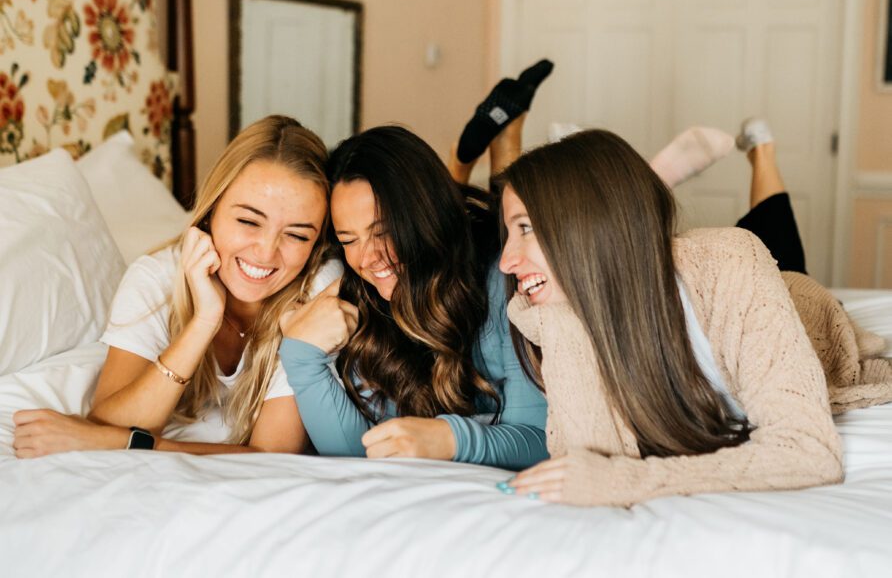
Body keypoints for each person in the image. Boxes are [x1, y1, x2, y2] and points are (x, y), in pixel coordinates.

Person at [492, 125, 892, 507]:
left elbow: (809, 453)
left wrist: (627, 482)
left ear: (583, 226)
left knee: (776, 234)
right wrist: (560, 327)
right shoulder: (557, 316)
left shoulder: (731, 262)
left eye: (524, 228)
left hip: (793, 300)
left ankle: (762, 152)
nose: (506, 262)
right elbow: (587, 463)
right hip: (633, 278)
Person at [277, 62, 554, 469]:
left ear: (420, 217)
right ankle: (488, 147)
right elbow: (362, 456)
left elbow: (541, 440)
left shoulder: (502, 278)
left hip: (475, 239)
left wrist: (450, 438)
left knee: (513, 213)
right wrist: (300, 357)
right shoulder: (358, 298)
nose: (365, 259)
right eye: (348, 239)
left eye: (383, 231)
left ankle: (486, 150)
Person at [13, 116, 341, 458]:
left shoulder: (318, 289)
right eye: (247, 221)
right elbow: (107, 420)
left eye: (297, 235)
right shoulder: (156, 277)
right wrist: (203, 322)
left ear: (317, 242)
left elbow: (273, 453)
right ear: (211, 211)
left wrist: (132, 443)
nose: (266, 252)